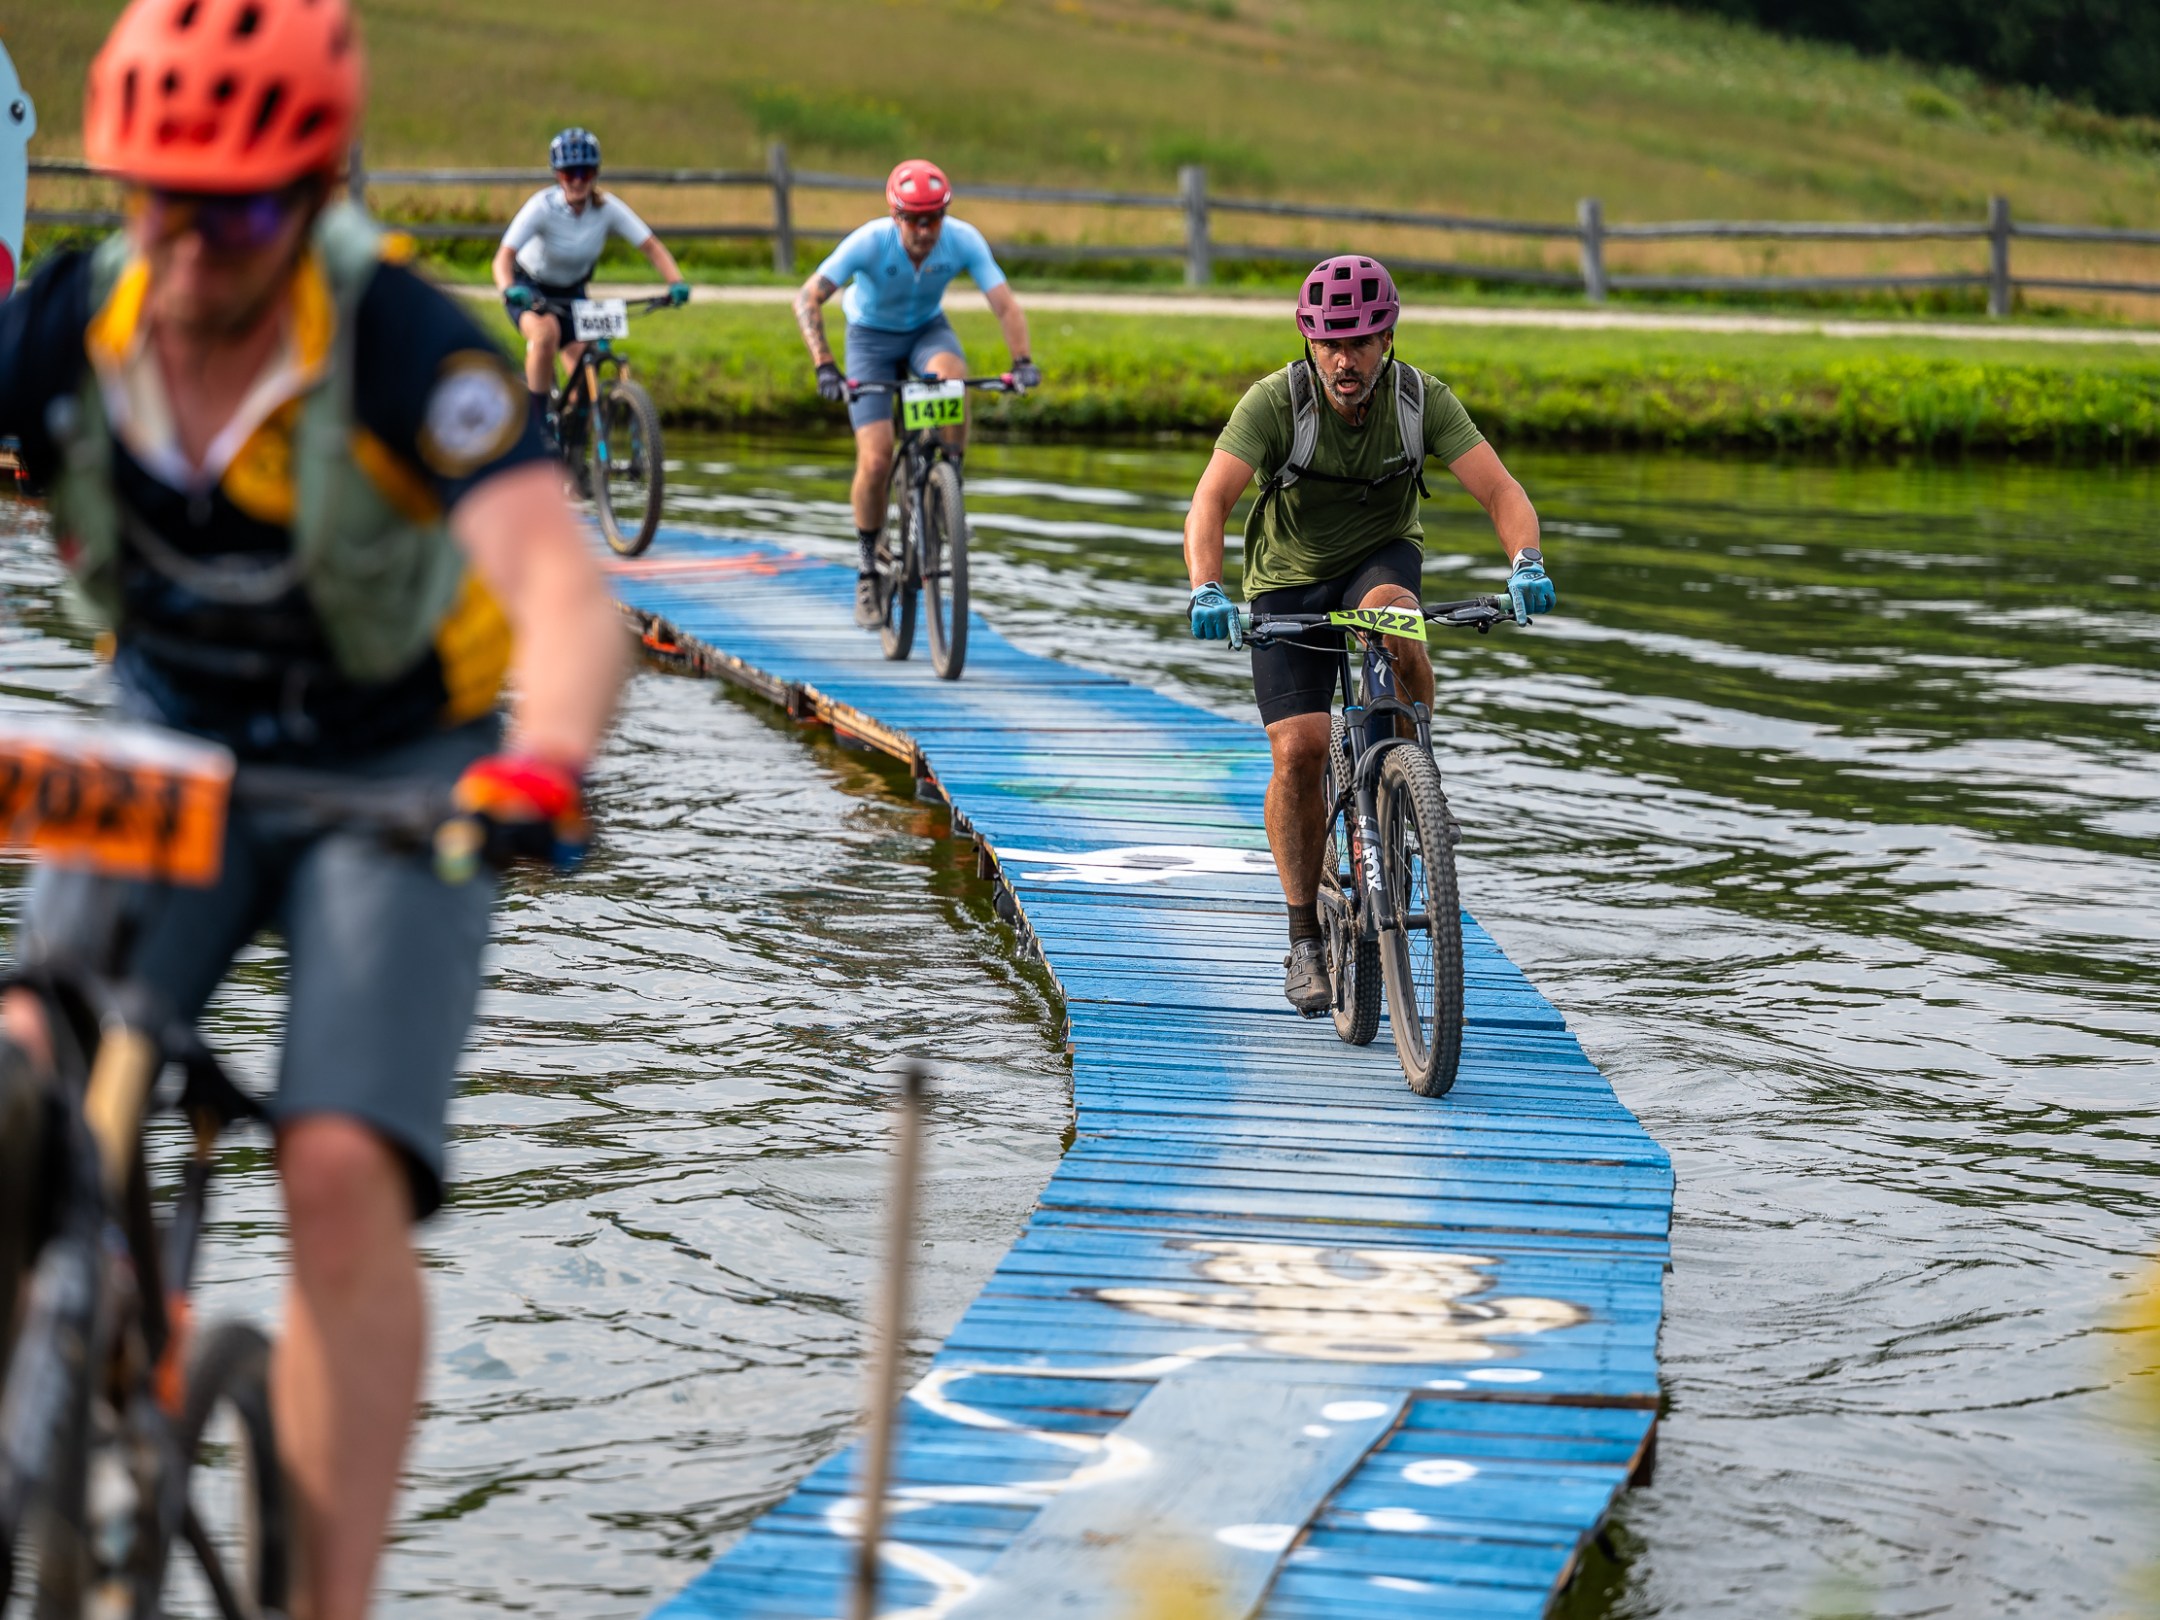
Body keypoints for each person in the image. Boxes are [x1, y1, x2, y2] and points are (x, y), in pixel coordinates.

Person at [0, 2, 628, 1616]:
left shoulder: (411, 346)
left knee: (340, 1167)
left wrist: (543, 760)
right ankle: (61, 1372)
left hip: (399, 768)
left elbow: (560, 589)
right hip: (170, 742)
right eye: (160, 199)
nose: (198, 246)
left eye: (249, 208)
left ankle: (323, 1600)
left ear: (321, 189)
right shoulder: (69, 323)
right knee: (15, 1076)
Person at [1180, 254, 1555, 1014]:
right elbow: (1210, 502)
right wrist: (1206, 588)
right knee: (1301, 749)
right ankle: (1304, 940)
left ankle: (1415, 772)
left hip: (1379, 559)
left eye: (1359, 342)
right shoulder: (1274, 404)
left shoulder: (1421, 400)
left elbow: (1499, 488)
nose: (1343, 361)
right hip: (1287, 578)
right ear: (1307, 340)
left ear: (1387, 338)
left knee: (1397, 615)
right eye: (1328, 343)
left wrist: (1525, 563)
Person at [792, 158, 1040, 627]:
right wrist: (825, 365)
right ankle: (867, 570)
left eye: (934, 219)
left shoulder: (963, 239)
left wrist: (1022, 362)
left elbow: (1004, 304)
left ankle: (950, 486)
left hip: (927, 331)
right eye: (914, 219)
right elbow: (806, 298)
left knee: (953, 379)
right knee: (877, 458)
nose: (925, 230)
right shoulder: (869, 242)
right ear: (896, 215)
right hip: (869, 339)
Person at [491, 127, 690, 440]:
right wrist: (507, 290)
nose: (578, 180)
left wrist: (675, 282)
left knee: (586, 371)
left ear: (596, 174)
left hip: (573, 291)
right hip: (530, 287)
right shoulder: (542, 207)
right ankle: (536, 422)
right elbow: (503, 257)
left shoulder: (607, 208)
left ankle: (578, 456)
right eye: (569, 173)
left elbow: (650, 246)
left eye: (585, 172)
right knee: (546, 333)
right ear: (558, 175)